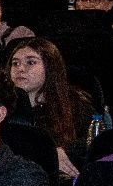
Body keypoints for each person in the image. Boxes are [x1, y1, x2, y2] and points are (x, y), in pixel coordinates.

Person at [7, 37, 93, 177]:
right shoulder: (1, 106)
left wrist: (64, 151)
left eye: (31, 62)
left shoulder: (75, 103)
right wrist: (48, 154)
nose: (20, 69)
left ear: (50, 67)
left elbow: (93, 139)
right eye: (15, 63)